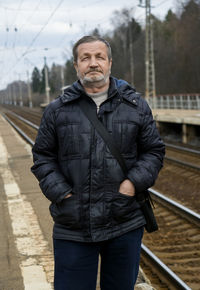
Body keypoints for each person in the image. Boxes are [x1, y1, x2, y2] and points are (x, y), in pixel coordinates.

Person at [31, 35, 165, 290]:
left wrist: (132, 184)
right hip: (73, 224)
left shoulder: (135, 106)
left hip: (124, 220)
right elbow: (42, 158)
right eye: (86, 58)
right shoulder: (57, 110)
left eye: (99, 57)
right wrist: (62, 194)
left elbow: (154, 151)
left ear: (110, 63)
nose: (93, 63)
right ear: (76, 65)